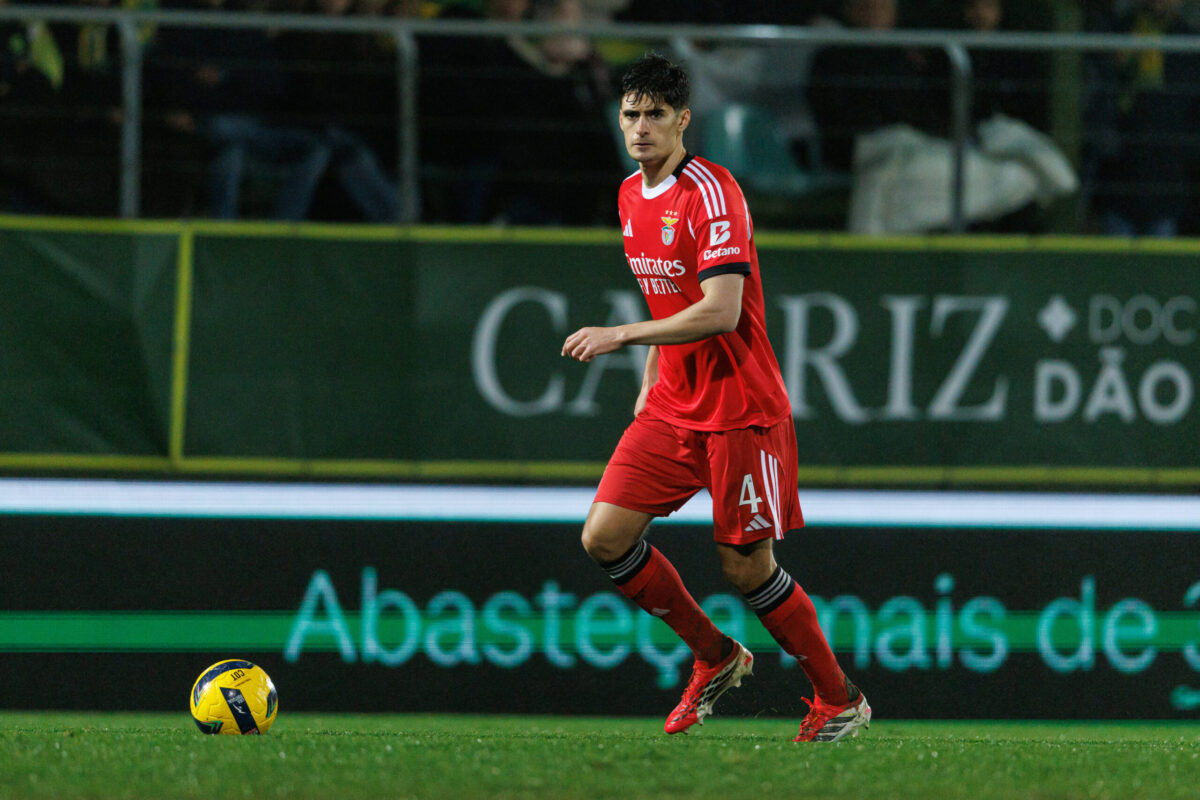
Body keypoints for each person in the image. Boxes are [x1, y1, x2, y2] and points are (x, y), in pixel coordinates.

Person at [561, 53, 870, 743]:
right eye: (630, 114)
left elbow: (722, 309)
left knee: (745, 567)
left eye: (655, 115)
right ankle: (714, 654)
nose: (640, 128)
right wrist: (649, 377)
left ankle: (838, 697)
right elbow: (665, 293)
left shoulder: (713, 190)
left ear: (683, 120)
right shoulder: (627, 195)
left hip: (740, 409)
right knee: (604, 537)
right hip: (673, 402)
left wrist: (621, 336)